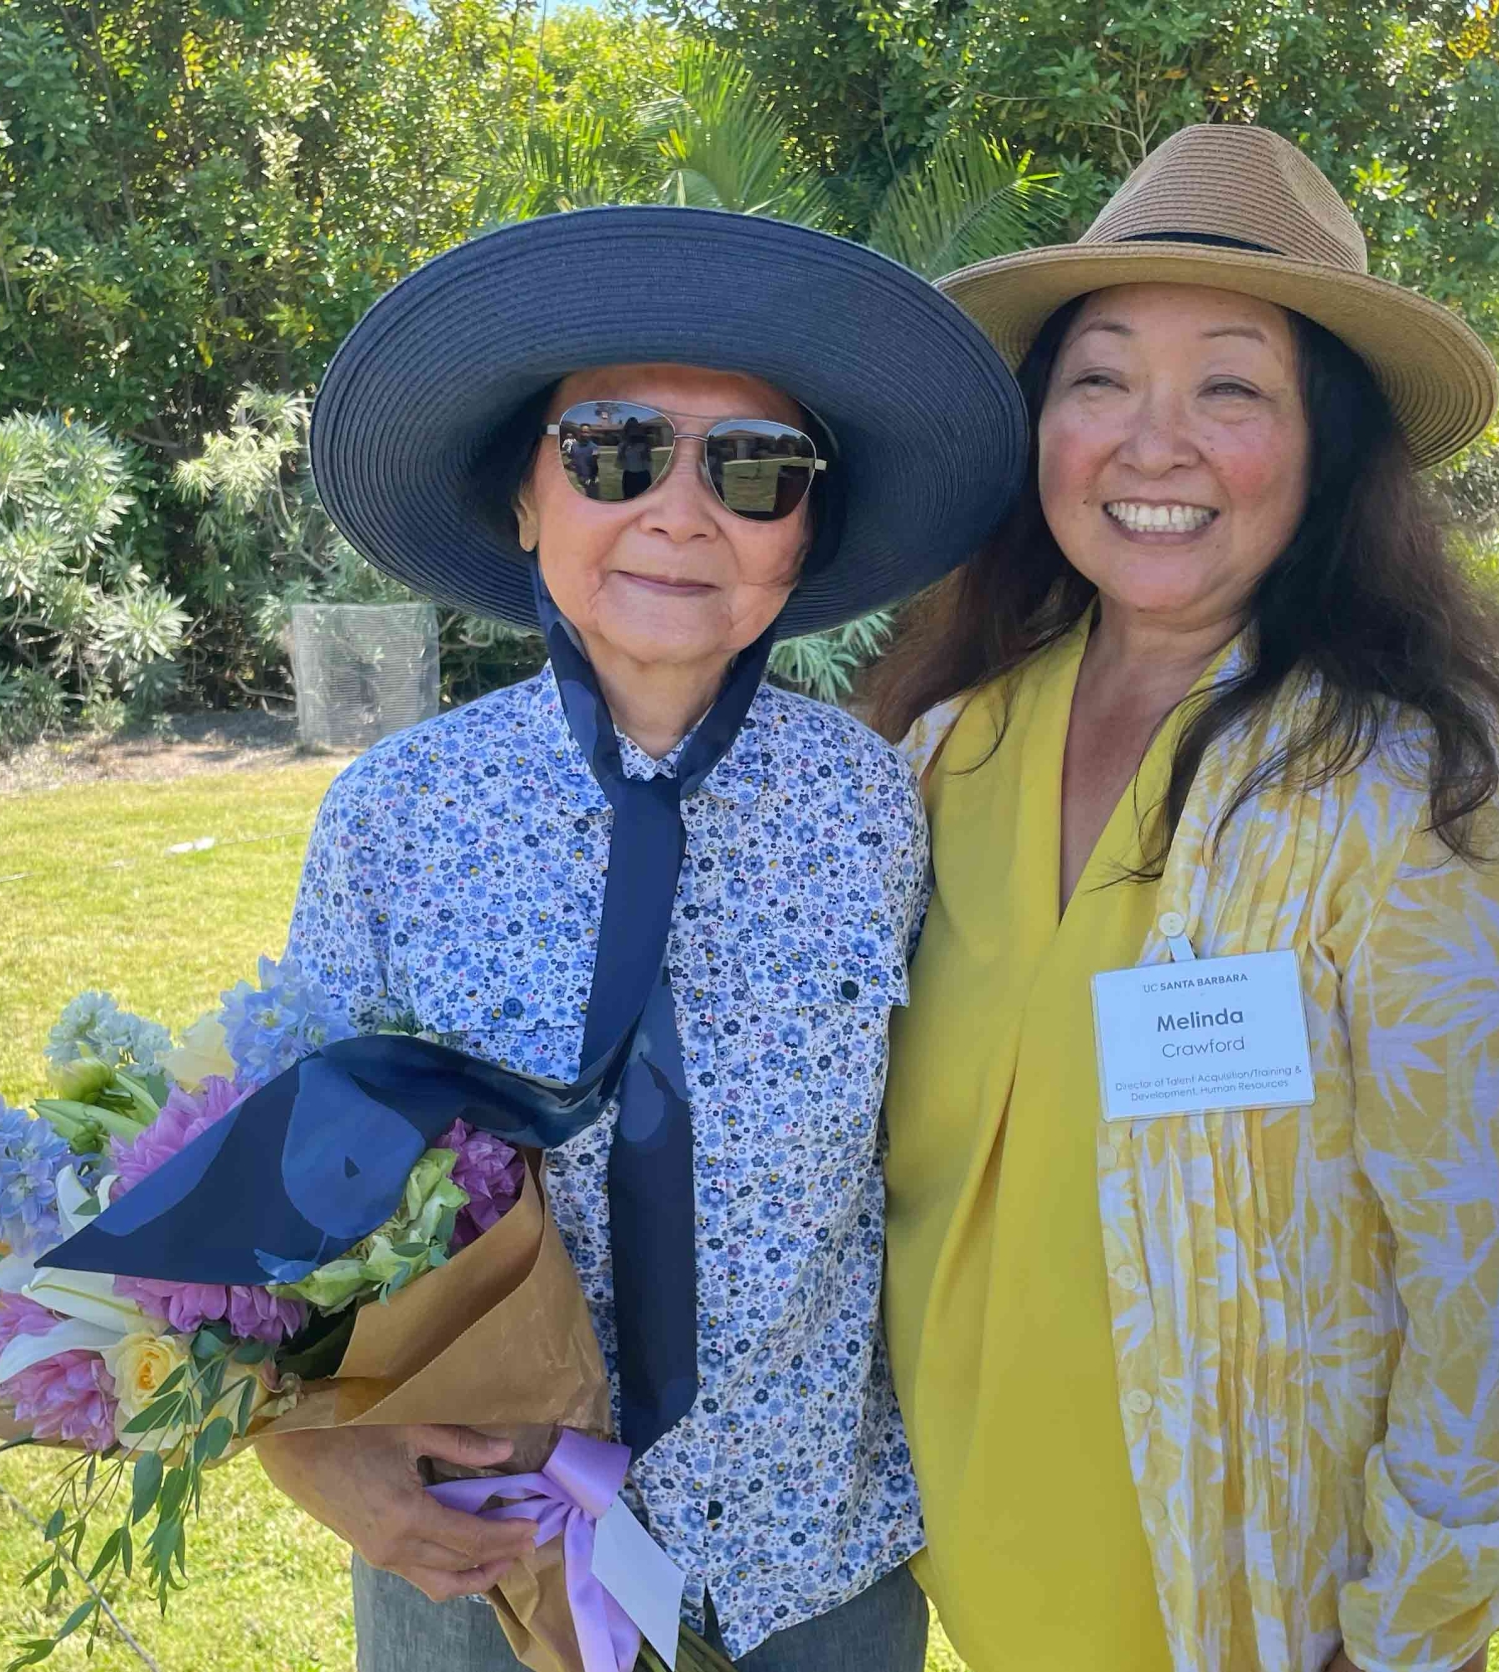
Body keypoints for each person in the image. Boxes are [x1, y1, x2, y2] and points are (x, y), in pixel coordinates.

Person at [868, 125, 1499, 1672]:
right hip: (971, 1589)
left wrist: (1407, 1636)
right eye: (1100, 379)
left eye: (1231, 386)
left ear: (1329, 445)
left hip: (1264, 1616)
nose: (1151, 443)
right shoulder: (947, 748)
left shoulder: (1422, 803)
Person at [256, 206, 1028, 1672]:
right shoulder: (397, 815)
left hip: (810, 1558)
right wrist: (302, 1447)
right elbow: (282, 1175)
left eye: (756, 469)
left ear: (804, 534)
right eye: (614, 451)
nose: (683, 513)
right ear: (527, 503)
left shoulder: (886, 807)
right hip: (482, 1551)